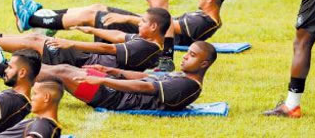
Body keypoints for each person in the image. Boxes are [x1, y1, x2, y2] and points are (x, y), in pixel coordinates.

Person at [10, 0, 228, 48]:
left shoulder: (203, 22)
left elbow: (166, 26)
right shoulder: (209, 18)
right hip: (150, 26)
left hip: (150, 35)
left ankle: (32, 18)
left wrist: (127, 18)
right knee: (98, 8)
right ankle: (39, 16)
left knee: (93, 16)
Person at [0, 7, 171, 79]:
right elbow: (117, 36)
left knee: (35, 41)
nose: (138, 23)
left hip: (86, 60)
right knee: (35, 43)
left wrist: (71, 43)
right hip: (86, 57)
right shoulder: (146, 40)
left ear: (153, 28)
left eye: (142, 21)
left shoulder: (146, 48)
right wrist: (92, 29)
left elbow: (106, 47)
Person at [35, 41, 216, 111]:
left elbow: (144, 87)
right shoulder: (184, 76)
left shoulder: (188, 86)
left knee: (63, 72)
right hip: (116, 87)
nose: (185, 56)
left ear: (204, 64)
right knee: (64, 69)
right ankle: (16, 68)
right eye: (188, 52)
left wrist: (103, 80)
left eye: (192, 55)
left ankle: (10, 70)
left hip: (116, 98)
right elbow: (146, 77)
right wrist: (114, 72)